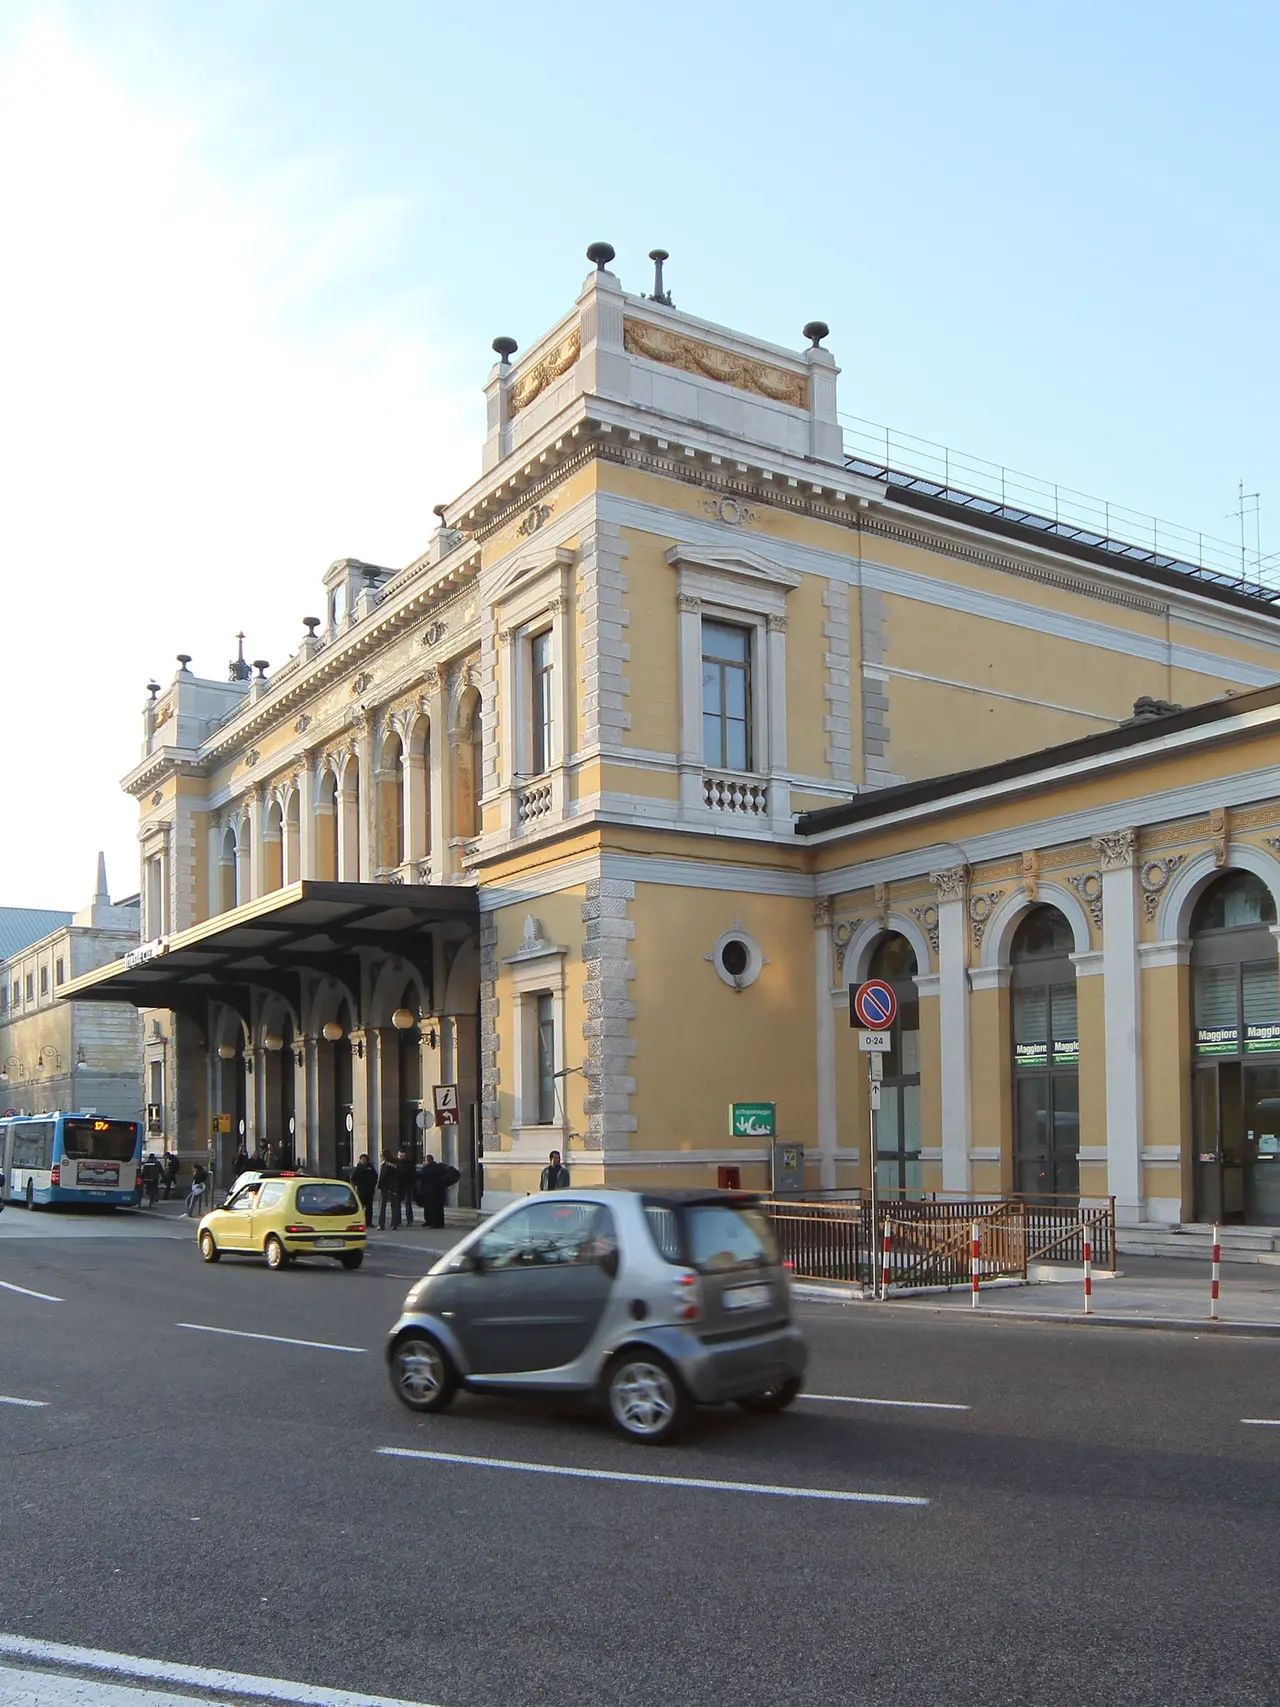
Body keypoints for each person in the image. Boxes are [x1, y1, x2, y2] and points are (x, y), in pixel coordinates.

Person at [415, 1153, 460, 1230]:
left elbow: (418, 1175)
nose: (424, 1162)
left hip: (430, 1191)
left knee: (431, 1208)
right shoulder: (440, 1167)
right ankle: (439, 1223)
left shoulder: (427, 1168)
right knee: (439, 1208)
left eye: (424, 1161)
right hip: (440, 1190)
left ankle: (432, 1223)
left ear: (427, 1161)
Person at [351, 1152, 378, 1228]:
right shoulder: (358, 1168)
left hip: (369, 1190)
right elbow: (353, 1178)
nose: (363, 1161)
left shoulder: (371, 1168)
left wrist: (372, 1185)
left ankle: (369, 1222)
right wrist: (358, 1185)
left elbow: (375, 1177)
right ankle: (359, 1221)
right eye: (361, 1159)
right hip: (361, 1191)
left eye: (364, 1159)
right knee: (360, 1207)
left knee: (369, 1208)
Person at [377, 1152, 400, 1231]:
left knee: (383, 1206)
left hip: (386, 1187)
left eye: (381, 1156)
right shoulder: (394, 1164)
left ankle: (381, 1224)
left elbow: (383, 1177)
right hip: (392, 1187)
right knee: (394, 1206)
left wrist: (379, 1185)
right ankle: (394, 1224)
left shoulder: (386, 1165)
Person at [395, 1147, 417, 1227]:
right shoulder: (395, 1163)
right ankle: (398, 1220)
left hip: (407, 1185)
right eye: (400, 1156)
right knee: (397, 1204)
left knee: (408, 1203)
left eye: (403, 1156)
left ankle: (409, 1220)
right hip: (397, 1186)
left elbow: (413, 1174)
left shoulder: (409, 1164)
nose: (401, 1157)